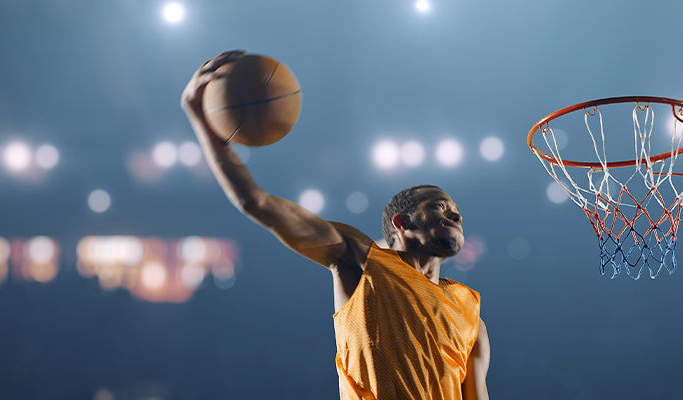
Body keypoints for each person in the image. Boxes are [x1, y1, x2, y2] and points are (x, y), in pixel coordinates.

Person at [182, 51, 489, 400]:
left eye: (456, 211)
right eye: (439, 207)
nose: (456, 215)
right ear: (401, 223)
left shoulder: (471, 313)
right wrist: (199, 117)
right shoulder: (360, 260)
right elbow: (255, 202)